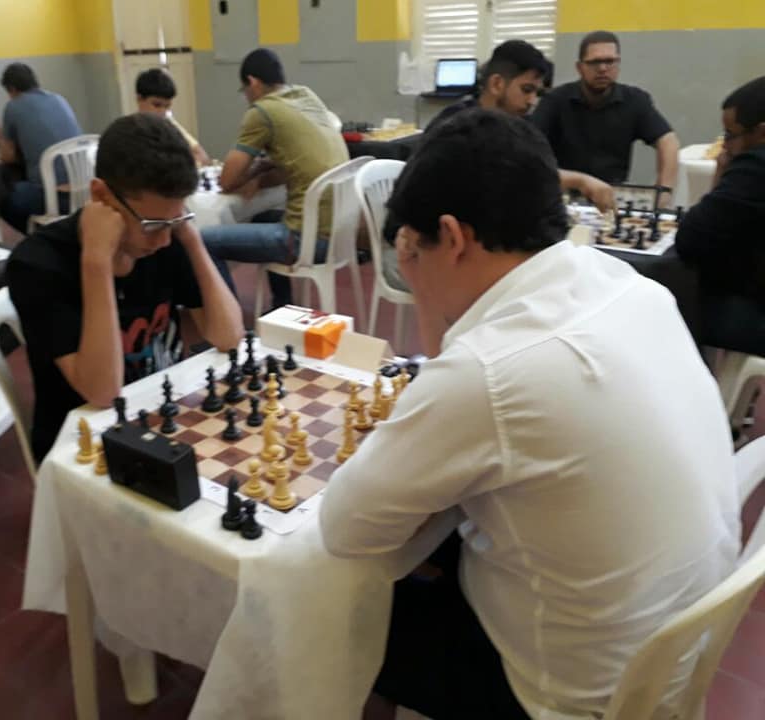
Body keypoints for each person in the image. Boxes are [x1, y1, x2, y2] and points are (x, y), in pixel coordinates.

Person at [319, 109, 739, 719]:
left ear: (452, 238)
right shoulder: (632, 284)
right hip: (670, 659)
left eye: (411, 250)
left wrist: (436, 319)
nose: (408, 271)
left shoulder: (488, 371)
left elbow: (346, 527)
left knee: (334, 611)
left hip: (564, 692)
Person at [7, 113, 244, 462]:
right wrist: (97, 263)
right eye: (152, 225)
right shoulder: (37, 263)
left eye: (175, 220)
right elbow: (103, 392)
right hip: (85, 446)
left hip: (164, 418)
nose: (163, 240)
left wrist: (191, 239)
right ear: (101, 195)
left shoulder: (168, 235)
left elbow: (229, 336)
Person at [381, 41, 613, 292]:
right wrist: (580, 180)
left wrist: (580, 181)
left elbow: (525, 174)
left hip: (454, 241)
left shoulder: (503, 126)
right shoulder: (460, 129)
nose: (532, 101)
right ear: (496, 84)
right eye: (526, 90)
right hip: (414, 247)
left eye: (536, 93)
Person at [200, 48, 349, 309]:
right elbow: (298, 166)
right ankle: (283, 305)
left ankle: (231, 323)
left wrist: (256, 170)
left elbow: (227, 180)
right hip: (342, 232)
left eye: (244, 89)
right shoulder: (306, 96)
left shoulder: (262, 112)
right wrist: (262, 174)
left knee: (205, 241)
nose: (245, 97)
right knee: (260, 218)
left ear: (253, 81)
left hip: (306, 240)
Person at [532, 30, 679, 205]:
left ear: (618, 64)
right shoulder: (555, 100)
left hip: (612, 198)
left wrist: (664, 190)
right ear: (579, 67)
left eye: (609, 61)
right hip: (562, 196)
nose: (602, 68)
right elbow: (528, 150)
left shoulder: (635, 100)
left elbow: (668, 142)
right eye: (594, 62)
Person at [676, 76, 765, 355]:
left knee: (664, 303)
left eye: (731, 135)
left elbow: (691, 239)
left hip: (752, 314)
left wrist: (720, 174)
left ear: (762, 133)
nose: (725, 146)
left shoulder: (755, 167)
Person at [0, 63, 83, 233]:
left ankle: (38, 236)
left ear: (12, 89)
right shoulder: (59, 99)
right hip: (84, 190)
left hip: (53, 197)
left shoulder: (13, 107)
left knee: (2, 197)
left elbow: (6, 156)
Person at [135, 67, 209, 167]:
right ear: (139, 99)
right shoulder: (127, 130)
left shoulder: (169, 125)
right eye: (156, 105)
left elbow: (202, 157)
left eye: (167, 106)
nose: (162, 112)